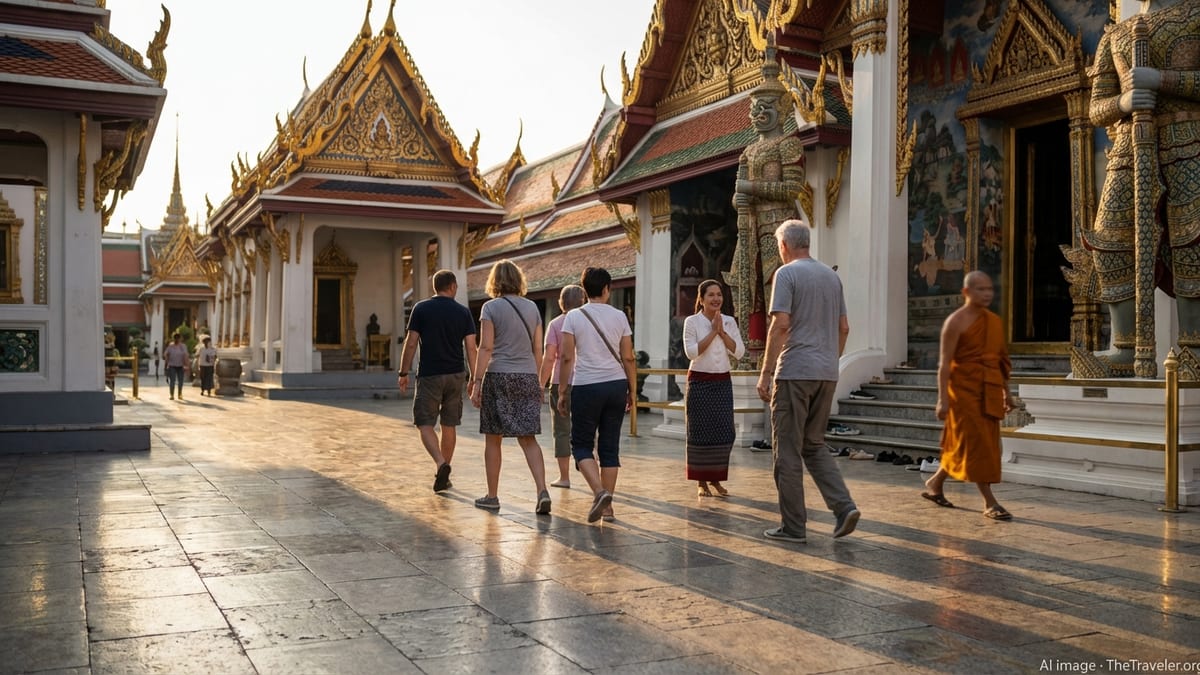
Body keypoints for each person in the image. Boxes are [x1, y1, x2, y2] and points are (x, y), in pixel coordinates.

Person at [1082, 0, 1200, 376]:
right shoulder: (1115, 34)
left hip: (1190, 138)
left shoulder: (1196, 14)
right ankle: (1125, 346)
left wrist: (1161, 80)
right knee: (1111, 241)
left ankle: (1193, 345)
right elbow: (1096, 107)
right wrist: (1125, 100)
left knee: (1190, 239)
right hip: (1129, 148)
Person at [756, 220, 860, 543]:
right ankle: (843, 507)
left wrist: (766, 371)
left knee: (786, 450)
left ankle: (793, 526)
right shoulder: (831, 276)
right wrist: (831, 359)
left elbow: (780, 325)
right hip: (826, 372)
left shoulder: (786, 275)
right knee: (813, 445)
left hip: (795, 371)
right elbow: (844, 328)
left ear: (784, 245)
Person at [728, 41, 805, 365]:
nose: (759, 113)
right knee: (742, 284)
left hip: (779, 227)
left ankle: (781, 348)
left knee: (777, 286)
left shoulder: (788, 144)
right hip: (750, 227)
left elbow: (792, 189)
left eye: (767, 106)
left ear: (784, 107)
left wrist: (751, 187)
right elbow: (738, 196)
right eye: (755, 107)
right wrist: (740, 197)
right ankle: (752, 348)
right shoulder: (748, 150)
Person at [922, 270, 1014, 520]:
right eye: (980, 289)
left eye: (989, 289)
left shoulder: (993, 321)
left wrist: (1007, 392)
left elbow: (1000, 361)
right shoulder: (955, 322)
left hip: (991, 390)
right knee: (978, 446)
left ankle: (935, 483)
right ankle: (990, 502)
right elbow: (945, 364)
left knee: (968, 444)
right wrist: (942, 398)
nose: (986, 294)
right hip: (964, 392)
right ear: (965, 292)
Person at [470, 260, 551, 515]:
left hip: (499, 376)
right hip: (527, 375)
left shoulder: (490, 307)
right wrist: (539, 382)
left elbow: (485, 347)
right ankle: (542, 490)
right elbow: (539, 349)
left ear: (495, 281)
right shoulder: (532, 308)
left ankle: (492, 496)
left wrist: (476, 380)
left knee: (493, 438)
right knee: (528, 438)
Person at [558, 267, 637, 524]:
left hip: (586, 386)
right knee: (609, 447)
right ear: (607, 289)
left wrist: (561, 391)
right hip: (616, 385)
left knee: (581, 444)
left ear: (584, 291)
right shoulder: (619, 317)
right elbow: (628, 356)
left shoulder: (573, 317)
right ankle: (608, 509)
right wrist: (633, 389)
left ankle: (601, 493)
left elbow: (567, 357)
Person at [398, 270, 478, 493]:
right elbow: (471, 347)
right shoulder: (462, 312)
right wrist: (474, 377)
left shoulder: (421, 309)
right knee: (449, 424)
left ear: (435, 287)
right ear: (452, 287)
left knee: (424, 423)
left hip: (430, 374)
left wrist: (403, 372)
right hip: (455, 374)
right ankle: (444, 471)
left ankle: (441, 464)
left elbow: (411, 342)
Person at [683, 279, 745, 498]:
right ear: (701, 299)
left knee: (724, 432)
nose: (716, 298)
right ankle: (701, 481)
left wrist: (722, 332)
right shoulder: (692, 322)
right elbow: (691, 353)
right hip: (699, 382)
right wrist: (712, 332)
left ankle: (716, 479)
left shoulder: (728, 321)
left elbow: (739, 352)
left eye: (719, 294)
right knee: (700, 432)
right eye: (711, 295)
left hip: (722, 382)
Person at [539, 284, 586, 489]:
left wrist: (540, 384)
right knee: (587, 427)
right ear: (582, 301)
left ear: (561, 302)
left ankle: (565, 477)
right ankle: (590, 469)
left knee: (561, 430)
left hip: (561, 381)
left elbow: (550, 357)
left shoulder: (556, 324)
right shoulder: (588, 322)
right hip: (586, 380)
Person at [163, 332, 189, 401]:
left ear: (180, 339)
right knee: (172, 381)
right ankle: (172, 394)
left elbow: (186, 356)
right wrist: (165, 366)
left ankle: (180, 394)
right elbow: (166, 356)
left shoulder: (183, 346)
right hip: (172, 366)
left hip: (181, 366)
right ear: (173, 338)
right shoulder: (170, 346)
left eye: (178, 338)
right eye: (175, 338)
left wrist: (187, 365)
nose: (177, 339)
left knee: (181, 381)